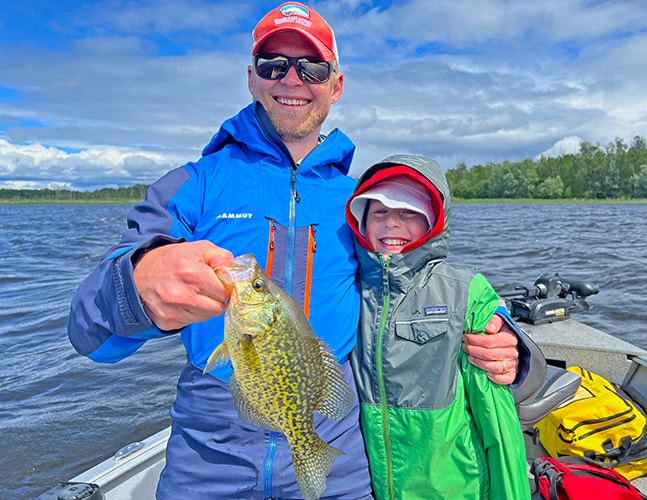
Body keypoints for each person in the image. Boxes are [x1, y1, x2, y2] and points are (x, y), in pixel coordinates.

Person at [67, 3, 528, 499]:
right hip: (208, 455)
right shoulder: (193, 185)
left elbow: (415, 290)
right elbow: (88, 334)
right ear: (251, 77)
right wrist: (137, 283)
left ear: (336, 84)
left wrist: (505, 346)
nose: (292, 79)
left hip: (338, 454)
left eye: (312, 67)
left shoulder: (359, 201)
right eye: (274, 65)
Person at [346, 154, 531, 500]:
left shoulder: (465, 290)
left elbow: (499, 420)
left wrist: (517, 347)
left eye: (409, 212)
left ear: (433, 222)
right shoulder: (346, 288)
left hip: (455, 488)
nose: (392, 224)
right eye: (380, 212)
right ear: (361, 221)